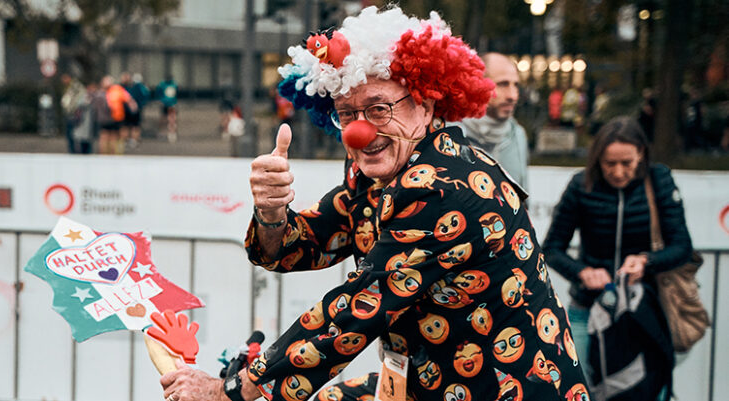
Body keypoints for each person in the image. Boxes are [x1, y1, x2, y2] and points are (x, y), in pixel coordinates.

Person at [160, 7, 587, 401]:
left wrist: (232, 390)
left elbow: (354, 311)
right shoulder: (376, 175)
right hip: (430, 381)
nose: (360, 132)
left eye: (378, 109)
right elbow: (302, 244)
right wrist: (271, 214)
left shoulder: (443, 187)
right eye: (347, 114)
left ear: (425, 105)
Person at [543, 116, 692, 400]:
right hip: (588, 306)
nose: (619, 172)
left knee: (649, 387)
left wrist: (646, 261)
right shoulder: (580, 185)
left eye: (628, 163)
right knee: (581, 387)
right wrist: (583, 272)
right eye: (610, 164)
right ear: (597, 159)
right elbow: (552, 248)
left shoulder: (659, 179)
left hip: (643, 309)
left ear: (642, 155)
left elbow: (682, 246)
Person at [455, 52, 529, 190]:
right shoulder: (450, 135)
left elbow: (524, 203)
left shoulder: (518, 135)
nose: (512, 95)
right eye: (503, 84)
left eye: (516, 85)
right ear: (478, 84)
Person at [93, 75, 134, 155]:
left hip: (113, 118)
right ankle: (107, 154)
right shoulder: (113, 91)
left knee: (111, 137)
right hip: (109, 118)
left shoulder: (103, 93)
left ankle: (110, 154)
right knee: (107, 137)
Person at [60, 73, 88, 154]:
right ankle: (72, 149)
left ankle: (75, 150)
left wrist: (74, 107)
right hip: (70, 112)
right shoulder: (68, 87)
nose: (63, 81)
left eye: (65, 78)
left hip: (74, 113)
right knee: (70, 133)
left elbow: (80, 97)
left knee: (74, 133)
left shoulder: (76, 86)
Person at [122, 72, 150, 149]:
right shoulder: (139, 88)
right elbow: (146, 96)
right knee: (134, 126)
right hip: (135, 109)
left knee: (128, 126)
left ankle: (128, 140)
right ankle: (132, 140)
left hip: (129, 109)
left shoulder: (131, 88)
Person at [156, 75, 178, 142]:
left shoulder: (174, 84)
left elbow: (176, 94)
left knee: (172, 120)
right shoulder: (162, 85)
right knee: (163, 119)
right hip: (165, 104)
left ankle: (172, 133)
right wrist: (161, 100)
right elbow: (158, 93)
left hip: (172, 104)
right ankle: (162, 133)